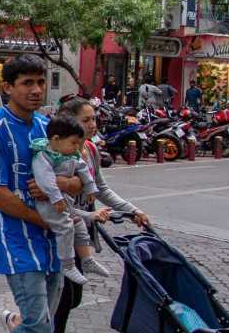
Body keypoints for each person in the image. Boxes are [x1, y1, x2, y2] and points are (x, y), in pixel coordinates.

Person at [0, 55, 85, 332]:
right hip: (17, 242)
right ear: (8, 87)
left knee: (43, 321)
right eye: (27, 83)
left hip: (53, 244)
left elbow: (79, 179)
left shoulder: (47, 127)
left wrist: (61, 184)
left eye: (40, 82)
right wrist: (44, 219)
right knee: (40, 326)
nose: (36, 90)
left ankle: (15, 324)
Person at [46, 97, 151, 333]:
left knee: (73, 298)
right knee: (63, 299)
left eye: (94, 118)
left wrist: (132, 210)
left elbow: (101, 189)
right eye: (86, 120)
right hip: (60, 232)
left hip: (80, 233)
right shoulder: (56, 154)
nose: (93, 124)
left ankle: (20, 323)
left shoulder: (90, 149)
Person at [28, 116, 100, 285]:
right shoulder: (43, 157)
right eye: (73, 143)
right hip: (49, 204)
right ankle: (68, 264)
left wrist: (90, 188)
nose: (76, 147)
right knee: (66, 227)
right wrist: (56, 197)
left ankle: (87, 260)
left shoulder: (69, 154)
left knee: (79, 223)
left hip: (64, 202)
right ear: (56, 140)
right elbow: (45, 180)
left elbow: (83, 169)